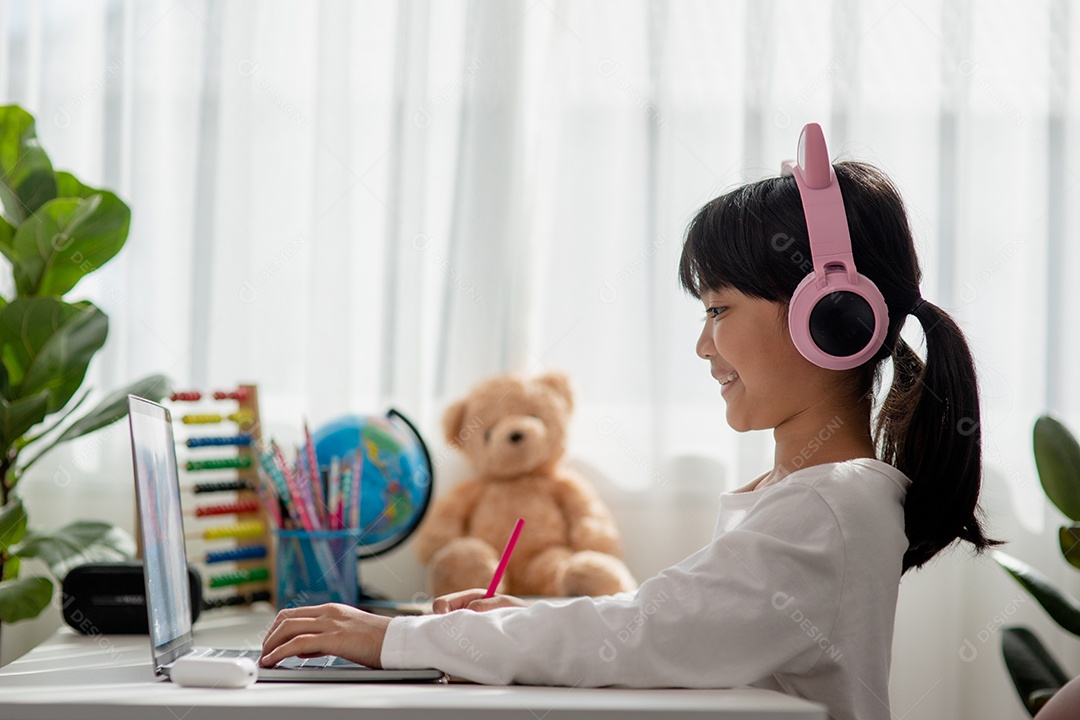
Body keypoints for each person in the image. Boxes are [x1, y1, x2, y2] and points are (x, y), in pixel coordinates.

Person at [259, 125, 997, 720]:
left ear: (830, 317)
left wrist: (398, 637)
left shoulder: (830, 502)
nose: (703, 344)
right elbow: (669, 627)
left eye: (718, 309)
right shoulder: (813, 493)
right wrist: (515, 626)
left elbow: (641, 634)